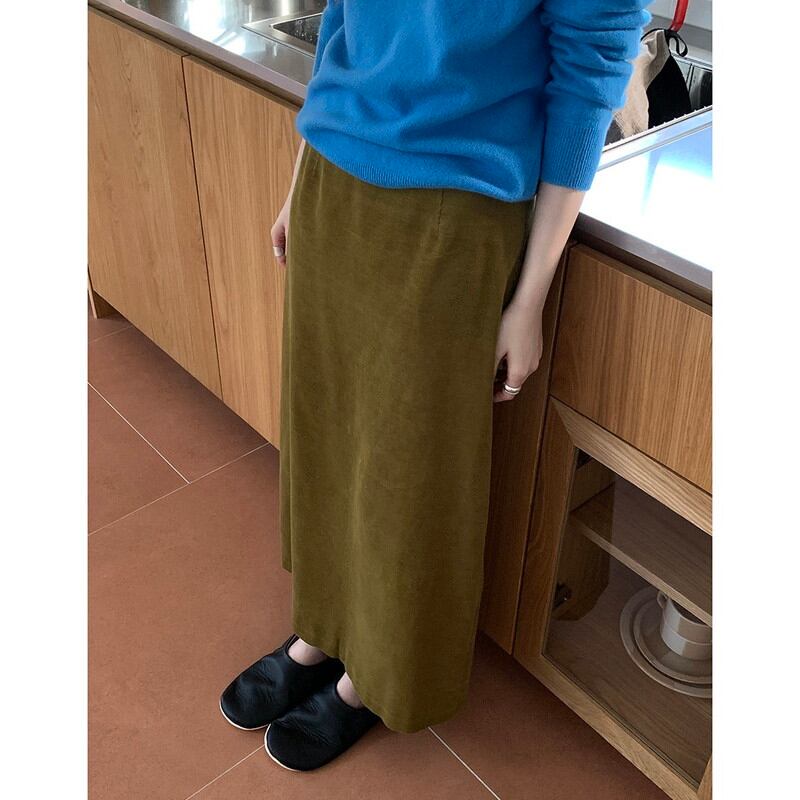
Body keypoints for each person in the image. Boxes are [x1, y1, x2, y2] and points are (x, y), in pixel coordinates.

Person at [220, 0, 650, 772]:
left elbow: (589, 81)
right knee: (326, 434)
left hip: (453, 209)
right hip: (334, 179)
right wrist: (300, 173)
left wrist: (529, 297)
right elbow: (345, 20)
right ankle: (322, 628)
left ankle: (376, 676)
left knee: (409, 471)